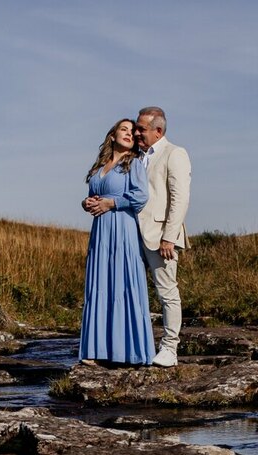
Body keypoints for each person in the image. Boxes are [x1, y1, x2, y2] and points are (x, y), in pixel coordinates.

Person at [79, 119, 153, 365]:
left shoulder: (133, 164)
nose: (130, 134)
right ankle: (99, 351)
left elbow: (141, 195)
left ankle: (128, 352)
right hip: (101, 232)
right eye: (124, 130)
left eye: (132, 132)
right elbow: (93, 195)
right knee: (101, 284)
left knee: (122, 283)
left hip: (122, 228)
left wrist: (112, 203)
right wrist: (87, 203)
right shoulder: (101, 166)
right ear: (112, 135)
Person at [133, 106, 191, 367]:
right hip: (133, 235)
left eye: (141, 129)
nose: (136, 133)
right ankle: (137, 346)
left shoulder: (174, 153)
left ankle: (170, 349)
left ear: (158, 131)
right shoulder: (136, 157)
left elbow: (179, 199)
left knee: (167, 292)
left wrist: (169, 236)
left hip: (160, 236)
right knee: (133, 291)